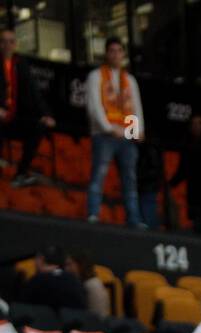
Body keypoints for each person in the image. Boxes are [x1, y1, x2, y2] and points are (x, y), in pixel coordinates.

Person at [85, 36, 145, 227]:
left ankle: (133, 218)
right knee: (99, 174)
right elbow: (94, 107)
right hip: (105, 135)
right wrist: (109, 128)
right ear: (106, 53)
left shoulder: (129, 80)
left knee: (130, 178)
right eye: (112, 50)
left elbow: (135, 107)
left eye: (119, 50)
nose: (116, 54)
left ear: (123, 54)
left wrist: (137, 131)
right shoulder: (96, 76)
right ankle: (93, 213)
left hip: (126, 136)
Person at [0, 27, 55, 187]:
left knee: (37, 127)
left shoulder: (21, 63)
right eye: (3, 41)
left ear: (15, 44)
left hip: (14, 117)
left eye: (11, 41)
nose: (7, 45)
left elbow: (34, 91)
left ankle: (21, 173)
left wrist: (46, 114)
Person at [169, 114, 201, 235]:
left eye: (200, 123)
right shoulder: (186, 144)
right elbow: (183, 170)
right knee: (198, 222)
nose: (196, 127)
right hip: (194, 192)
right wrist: (169, 184)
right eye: (193, 124)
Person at [20, 245, 85, 311]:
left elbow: (22, 308)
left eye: (35, 259)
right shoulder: (74, 279)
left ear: (41, 259)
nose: (34, 262)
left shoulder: (36, 281)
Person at [66, 252, 110, 318]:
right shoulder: (91, 282)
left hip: (93, 324)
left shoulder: (90, 285)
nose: (66, 268)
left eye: (69, 264)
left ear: (80, 265)